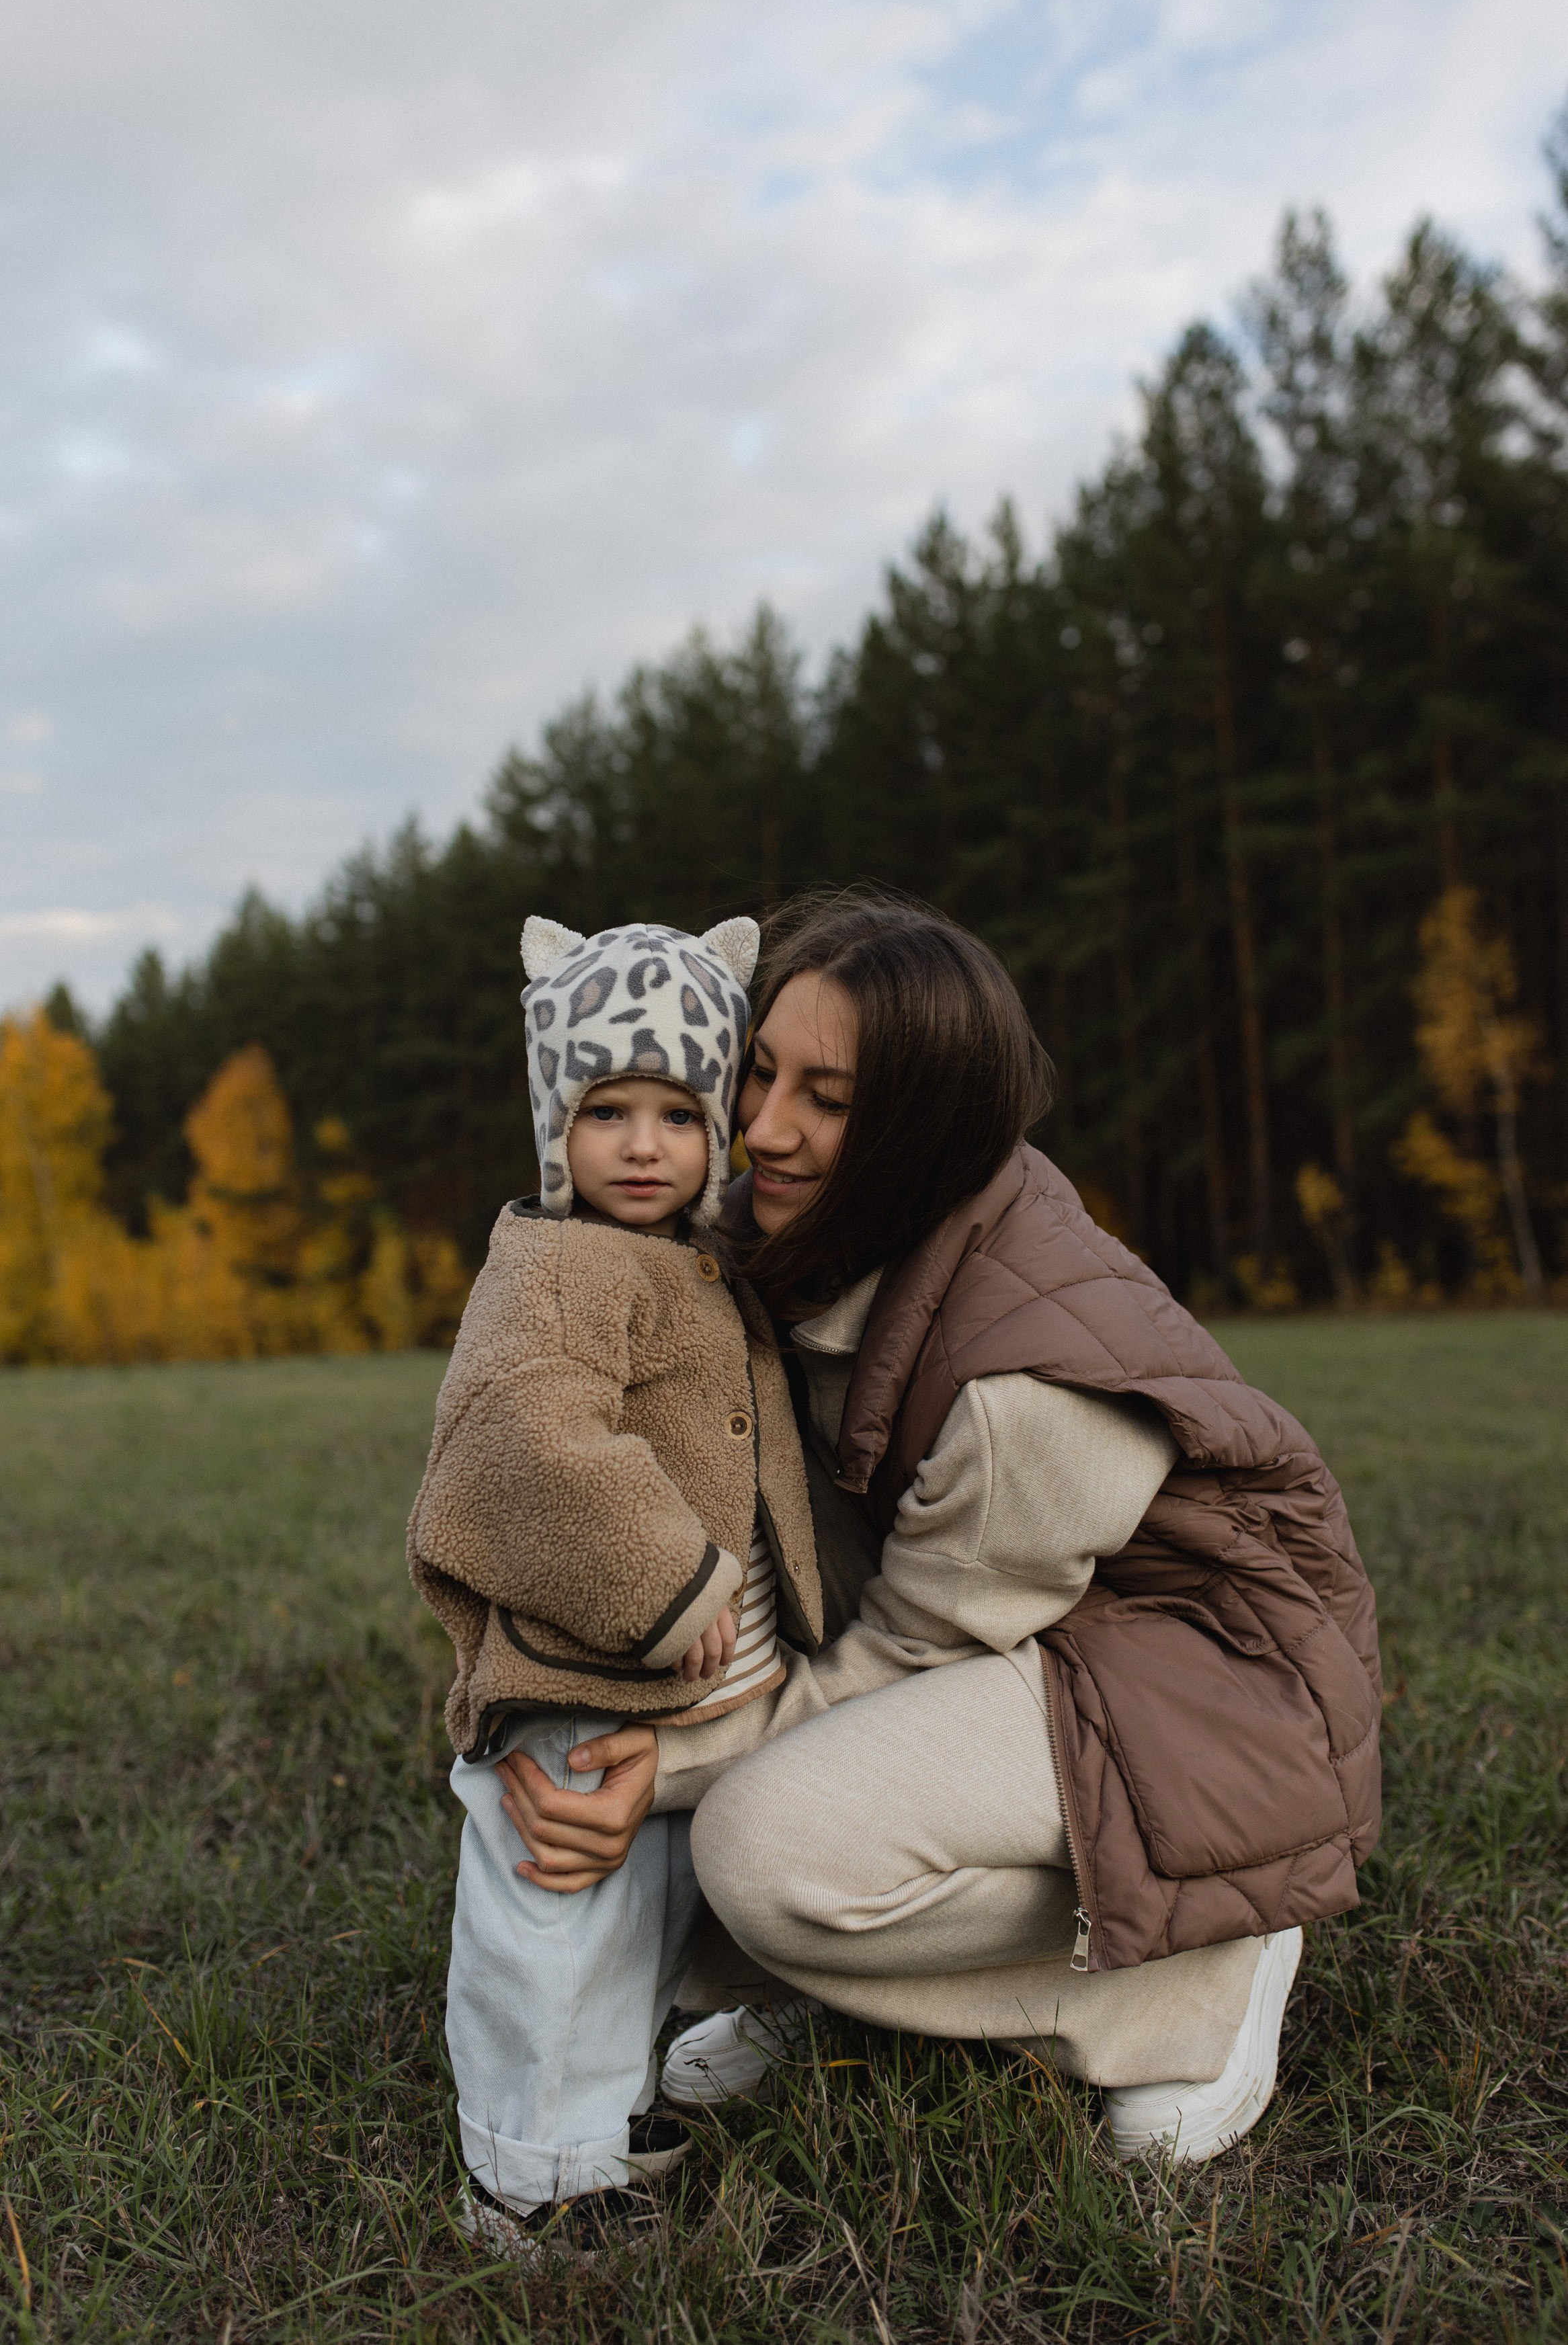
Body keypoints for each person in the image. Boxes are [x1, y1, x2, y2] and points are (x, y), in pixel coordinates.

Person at [503, 892, 1382, 2167]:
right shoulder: (784, 1232)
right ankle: (843, 1975)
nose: (761, 1129)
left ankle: (1190, 1980)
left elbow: (908, 1651)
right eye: (759, 1074)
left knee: (763, 1849)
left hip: (1197, 1673)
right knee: (695, 1705)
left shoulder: (1033, 1400)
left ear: (926, 1130)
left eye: (831, 1099)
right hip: (1009, 1614)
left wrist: (666, 1772)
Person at [407, 913, 823, 2258]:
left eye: (677, 1112)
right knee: (558, 1929)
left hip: (670, 1695)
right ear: (554, 1122)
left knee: (643, 1914)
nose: (642, 1146)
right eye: (604, 1110)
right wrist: (669, 1579)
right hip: (582, 1677)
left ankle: (608, 2117)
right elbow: (527, 1433)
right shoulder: (557, 1264)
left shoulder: (698, 1267)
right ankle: (532, 2177)